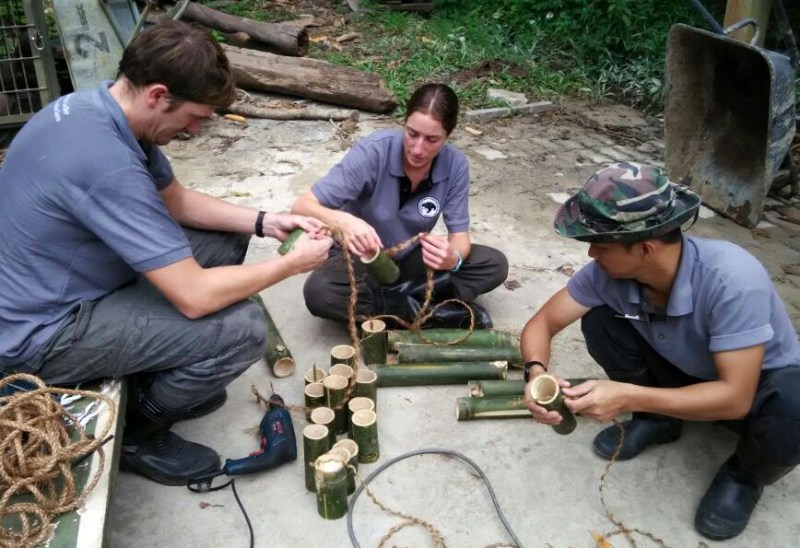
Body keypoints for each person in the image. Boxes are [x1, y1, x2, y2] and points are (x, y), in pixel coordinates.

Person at [0, 21, 332, 485]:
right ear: (158, 95)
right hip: (40, 334)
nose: (196, 129)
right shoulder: (104, 163)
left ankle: (159, 376)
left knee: (227, 238)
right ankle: (140, 431)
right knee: (243, 330)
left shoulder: (100, 111)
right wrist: (289, 265)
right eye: (195, 116)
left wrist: (266, 221)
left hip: (66, 281)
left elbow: (175, 201)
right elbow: (194, 296)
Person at [520, 162, 800, 540]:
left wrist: (627, 396)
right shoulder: (609, 274)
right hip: (687, 371)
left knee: (795, 406)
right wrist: (536, 373)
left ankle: (744, 476)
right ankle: (657, 420)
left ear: (645, 248)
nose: (590, 254)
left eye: (600, 245)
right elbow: (543, 323)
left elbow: (736, 398)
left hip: (752, 394)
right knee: (600, 321)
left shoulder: (733, 279)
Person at [291, 83, 508, 328]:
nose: (417, 148)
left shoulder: (455, 164)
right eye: (412, 133)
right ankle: (430, 311)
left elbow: (459, 236)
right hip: (361, 261)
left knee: (493, 263)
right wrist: (343, 221)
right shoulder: (374, 152)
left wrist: (453, 258)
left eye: (432, 140)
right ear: (404, 123)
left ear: (448, 135)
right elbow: (302, 207)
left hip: (409, 259)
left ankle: (395, 307)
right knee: (320, 292)